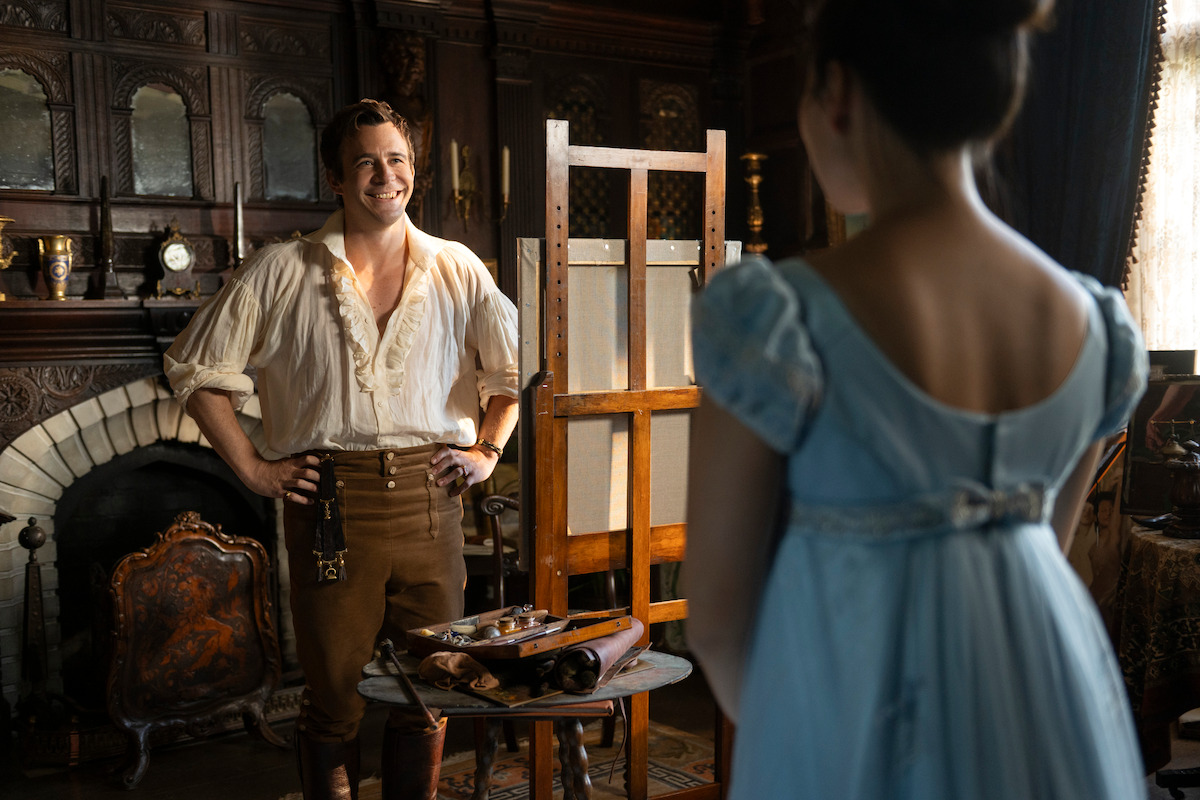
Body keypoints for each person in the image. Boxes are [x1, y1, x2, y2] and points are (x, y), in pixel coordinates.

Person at [684, 1, 1148, 798]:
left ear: (836, 95)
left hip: (842, 721)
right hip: (1049, 707)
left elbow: (720, 626)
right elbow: (1040, 547)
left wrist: (799, 738)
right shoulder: (1095, 328)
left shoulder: (779, 318)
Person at [164, 98, 518, 800]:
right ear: (335, 177)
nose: (385, 176)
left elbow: (507, 378)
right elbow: (195, 372)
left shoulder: (458, 268)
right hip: (330, 504)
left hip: (432, 501)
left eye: (397, 160)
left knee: (433, 686)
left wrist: (487, 452)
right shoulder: (281, 269)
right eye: (366, 163)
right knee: (334, 696)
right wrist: (257, 469)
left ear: (413, 170)